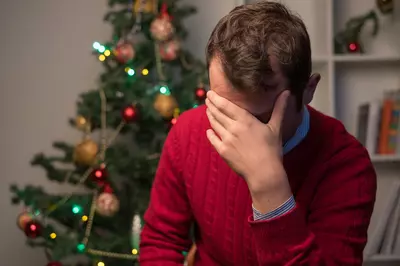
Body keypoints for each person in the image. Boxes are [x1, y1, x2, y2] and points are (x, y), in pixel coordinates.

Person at [139, 1, 377, 265]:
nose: (238, 130)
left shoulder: (346, 164)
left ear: (308, 89)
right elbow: (161, 242)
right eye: (224, 109)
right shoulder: (188, 133)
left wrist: (270, 188)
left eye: (258, 118)